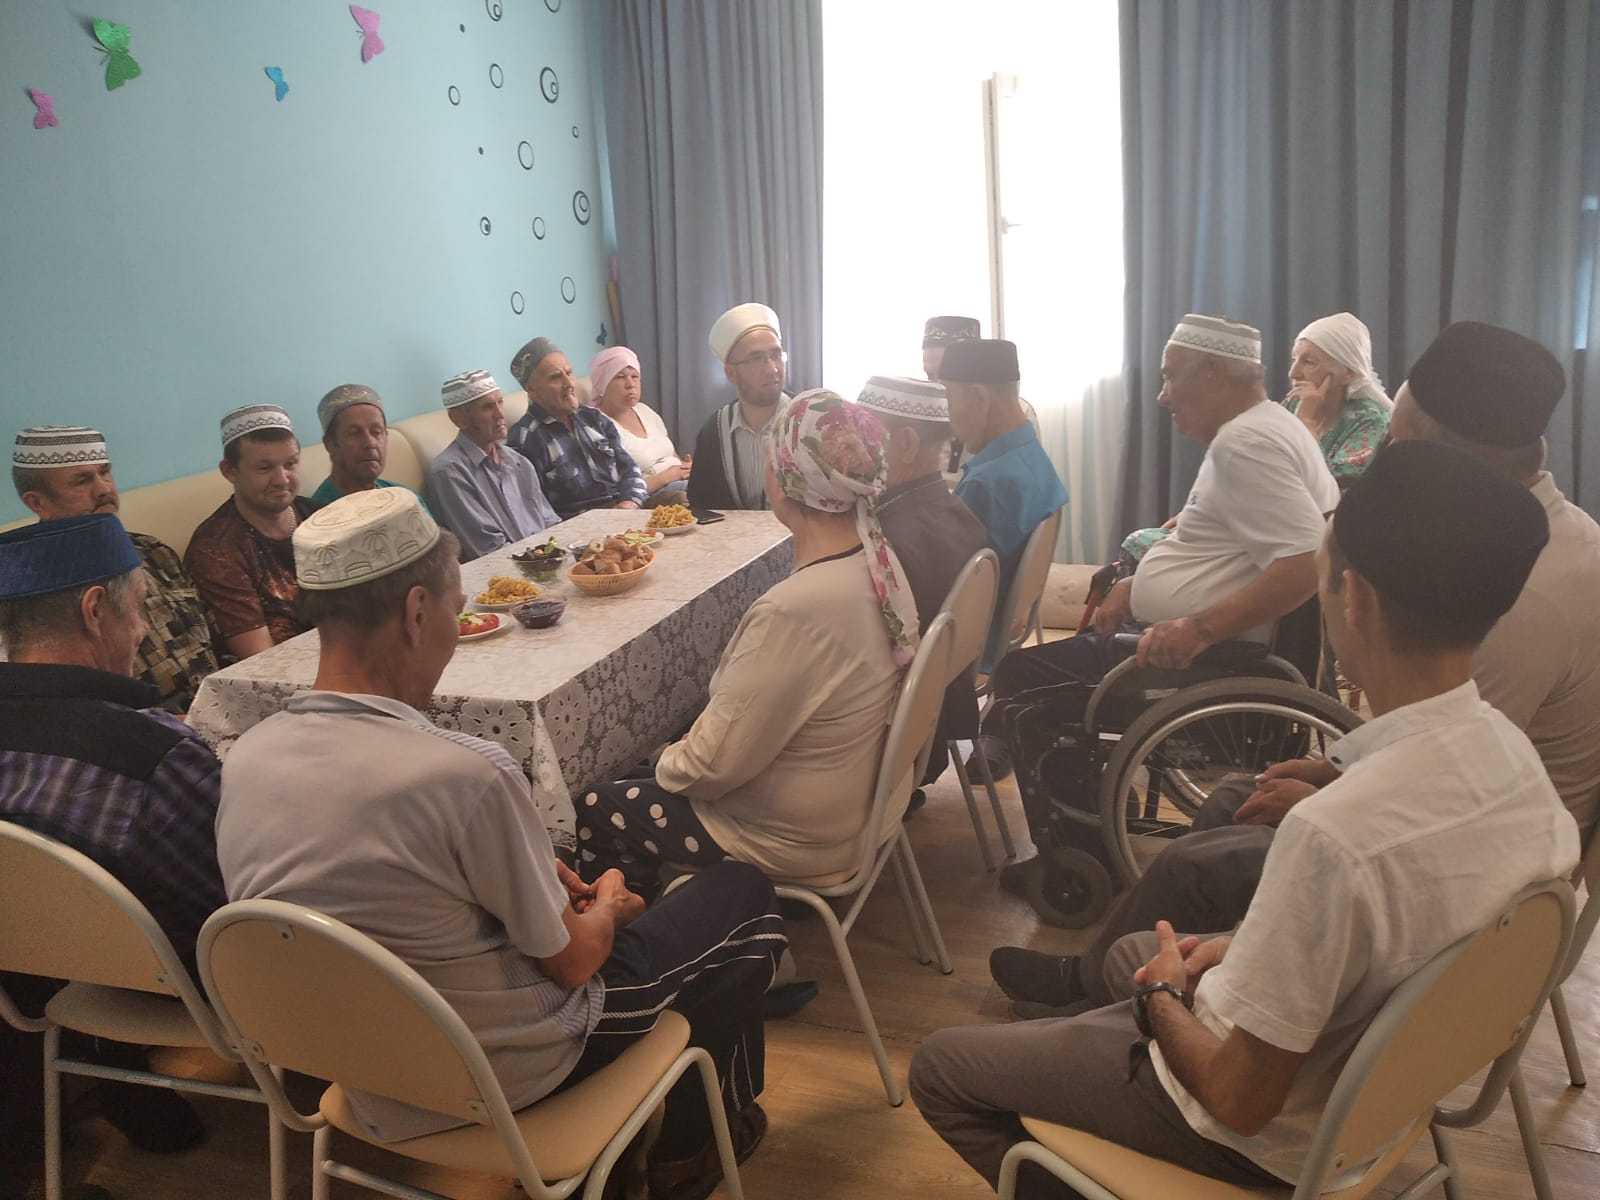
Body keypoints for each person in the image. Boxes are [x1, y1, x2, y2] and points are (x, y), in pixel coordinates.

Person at [912, 439, 1576, 1198]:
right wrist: (1229, 951)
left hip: (1257, 1137)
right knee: (1134, 949)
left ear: (1355, 598)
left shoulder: (1336, 838)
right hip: (1377, 1100)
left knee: (944, 1068)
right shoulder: (1520, 772)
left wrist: (1161, 997)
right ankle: (1091, 1042)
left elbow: (1238, 1100)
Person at [991, 321, 1600, 1019]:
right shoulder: (1556, 540)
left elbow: (1454, 785)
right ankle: (1130, 985)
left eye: (1397, 446)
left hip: (1465, 887)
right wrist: (1328, 770)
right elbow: (1440, 750)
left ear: (1447, 461)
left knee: (1197, 860)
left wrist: (1326, 795)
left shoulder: (1519, 598)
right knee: (1236, 801)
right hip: (1464, 828)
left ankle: (1125, 1000)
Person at [214, 489, 784, 1199]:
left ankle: (642, 1132)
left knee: (653, 923)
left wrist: (529, 872)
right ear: (417, 612)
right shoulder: (465, 773)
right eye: (454, 610)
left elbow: (377, 891)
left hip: (357, 1066)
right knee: (742, 897)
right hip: (504, 1069)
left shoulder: (247, 756)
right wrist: (608, 905)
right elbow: (575, 963)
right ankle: (690, 1149)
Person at [574, 390, 920, 896]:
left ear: (786, 479)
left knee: (597, 804)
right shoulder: (876, 562)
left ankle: (646, 933)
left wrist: (661, 757)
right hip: (865, 799)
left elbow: (712, 767)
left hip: (796, 833)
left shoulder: (795, 609)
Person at [977, 316, 1337, 781]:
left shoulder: (1246, 443)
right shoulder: (1273, 425)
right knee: (1059, 659)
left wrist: (1197, 630)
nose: (1162, 396)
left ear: (1211, 373)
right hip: (1204, 646)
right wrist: (1134, 584)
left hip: (1206, 662)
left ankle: (1080, 824)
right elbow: (1228, 545)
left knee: (1020, 674)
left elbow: (1305, 562)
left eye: (1170, 377)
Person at [0, 513, 226, 1161]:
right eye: (141, 607)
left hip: (36, 982)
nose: (145, 628)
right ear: (96, 610)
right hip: (173, 990)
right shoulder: (153, 755)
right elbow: (236, 899)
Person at [1120, 311, 1391, 566]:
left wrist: (1306, 422)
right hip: (1262, 514)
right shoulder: (1292, 405)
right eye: (1295, 359)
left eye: (1309, 362)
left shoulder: (1371, 418)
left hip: (1321, 534)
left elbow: (1317, 483)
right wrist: (1198, 512)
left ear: (1348, 372)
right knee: (1142, 541)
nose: (1294, 373)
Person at [11, 426, 218, 711]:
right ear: (37, 502)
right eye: (82, 481)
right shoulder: (36, 592)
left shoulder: (154, 552)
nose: (104, 489)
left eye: (105, 473)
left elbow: (215, 641)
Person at [858, 375, 989, 793]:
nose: (854, 446)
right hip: (935, 726)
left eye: (865, 432)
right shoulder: (958, 515)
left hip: (892, 750)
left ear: (906, 443)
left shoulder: (887, 541)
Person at [943, 338, 1068, 676]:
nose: (949, 417)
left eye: (949, 399)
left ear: (979, 398)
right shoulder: (1030, 456)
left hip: (963, 654)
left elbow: (945, 589)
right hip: (998, 640)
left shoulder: (987, 483)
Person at [184, 404, 314, 661]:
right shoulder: (215, 550)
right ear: (229, 471)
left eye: (290, 464)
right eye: (264, 468)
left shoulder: (321, 517)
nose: (282, 479)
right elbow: (262, 660)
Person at [424, 369, 560, 561]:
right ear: (458, 419)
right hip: (506, 573)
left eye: (500, 402)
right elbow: (490, 551)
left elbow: (552, 525)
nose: (500, 414)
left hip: (546, 562)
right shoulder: (449, 472)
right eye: (487, 407)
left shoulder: (519, 461)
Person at [506, 338, 646, 518]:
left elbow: (630, 469)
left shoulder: (594, 418)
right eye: (556, 377)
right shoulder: (524, 439)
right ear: (532, 389)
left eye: (569, 373)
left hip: (626, 512)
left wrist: (629, 504)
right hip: (581, 526)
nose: (570, 384)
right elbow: (537, 512)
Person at [686, 303, 790, 511]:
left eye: (776, 355)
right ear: (731, 373)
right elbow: (701, 504)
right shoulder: (713, 432)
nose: (772, 369)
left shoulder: (808, 422)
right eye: (756, 359)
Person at [589, 345, 692, 504]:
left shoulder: (644, 411)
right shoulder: (596, 426)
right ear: (602, 383)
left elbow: (672, 455)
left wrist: (685, 466)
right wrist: (666, 477)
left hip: (678, 481)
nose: (630, 384)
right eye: (620, 377)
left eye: (635, 376)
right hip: (651, 495)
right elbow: (615, 492)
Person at [307, 384, 426, 512]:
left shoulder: (405, 499)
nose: (370, 443)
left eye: (376, 432)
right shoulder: (321, 514)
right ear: (330, 444)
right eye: (354, 433)